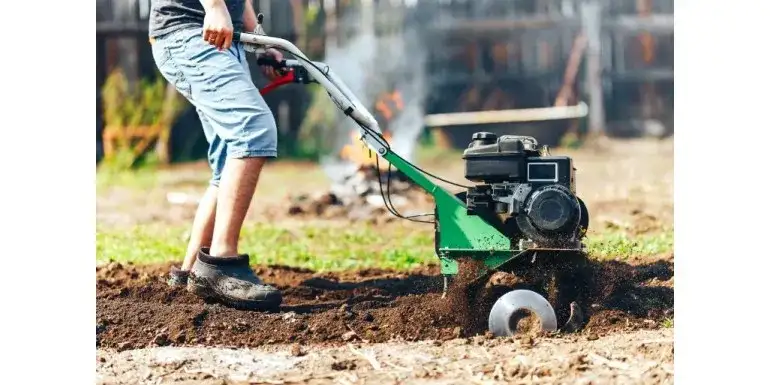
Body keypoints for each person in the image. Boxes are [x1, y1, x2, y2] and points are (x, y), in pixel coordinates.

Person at [148, 0, 284, 310]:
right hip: (193, 32)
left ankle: (190, 271)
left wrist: (259, 40)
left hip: (218, 36)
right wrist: (213, 6)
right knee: (253, 130)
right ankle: (220, 263)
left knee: (228, 158)